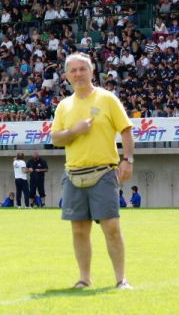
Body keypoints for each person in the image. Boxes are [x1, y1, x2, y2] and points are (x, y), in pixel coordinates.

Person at [51, 52, 135, 290]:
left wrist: (127, 159)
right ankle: (84, 278)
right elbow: (56, 138)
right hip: (73, 174)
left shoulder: (107, 99)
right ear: (66, 75)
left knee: (111, 227)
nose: (78, 74)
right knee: (79, 229)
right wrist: (73, 132)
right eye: (73, 70)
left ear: (92, 71)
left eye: (82, 69)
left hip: (103, 172)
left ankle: (121, 279)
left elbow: (126, 130)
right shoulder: (64, 106)